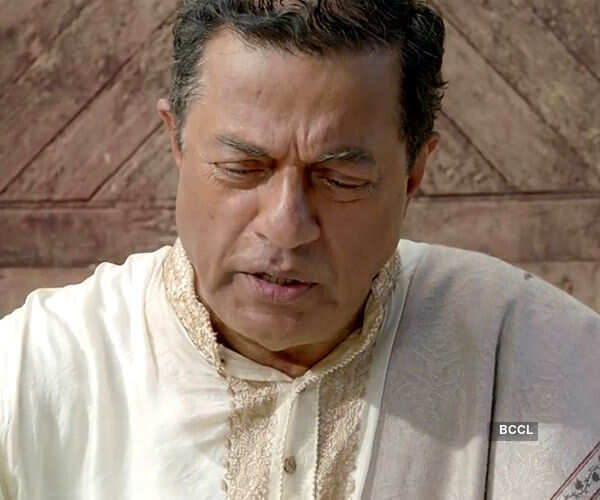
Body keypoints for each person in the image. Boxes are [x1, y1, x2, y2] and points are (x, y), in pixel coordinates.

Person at [1, 0, 599, 498]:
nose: (286, 227)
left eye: (340, 179)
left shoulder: (537, 362)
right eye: (241, 168)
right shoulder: (37, 374)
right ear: (176, 143)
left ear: (414, 172)